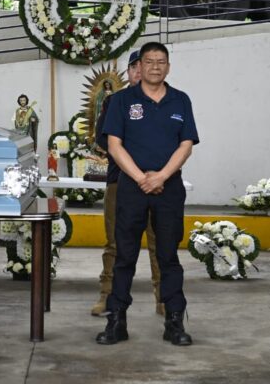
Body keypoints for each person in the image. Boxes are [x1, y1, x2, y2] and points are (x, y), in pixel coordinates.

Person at [97, 41, 199, 347]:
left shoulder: (181, 101)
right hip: (131, 187)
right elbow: (114, 145)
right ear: (139, 66)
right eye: (149, 61)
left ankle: (174, 322)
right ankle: (116, 321)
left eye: (161, 61)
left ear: (168, 66)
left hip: (168, 188)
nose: (155, 66)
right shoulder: (121, 101)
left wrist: (162, 176)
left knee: (168, 255)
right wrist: (141, 177)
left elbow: (186, 144)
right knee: (124, 255)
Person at [91, 50, 163, 317]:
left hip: (158, 183)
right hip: (119, 182)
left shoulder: (164, 100)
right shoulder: (115, 102)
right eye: (132, 67)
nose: (137, 72)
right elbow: (103, 138)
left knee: (160, 243)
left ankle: (164, 299)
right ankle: (107, 296)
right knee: (115, 244)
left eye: (141, 66)